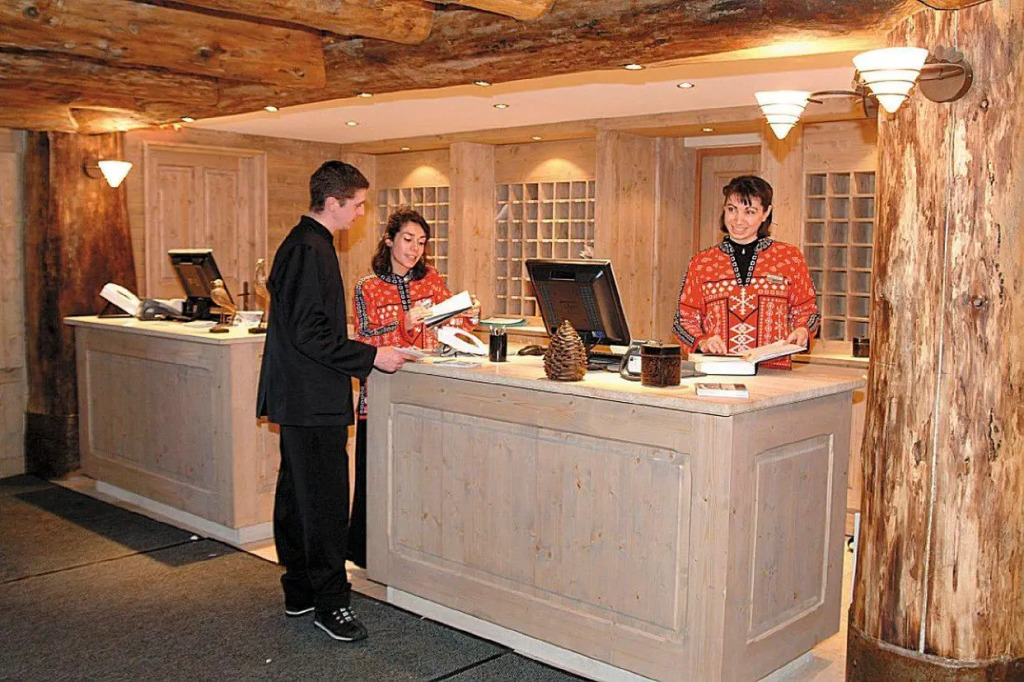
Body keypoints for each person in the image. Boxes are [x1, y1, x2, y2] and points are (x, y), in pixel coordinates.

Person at [256, 161, 409, 643]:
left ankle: (301, 589)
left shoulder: (304, 243)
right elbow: (310, 333)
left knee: (297, 497)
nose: (361, 214)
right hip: (311, 398)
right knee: (323, 504)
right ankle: (331, 603)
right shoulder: (311, 249)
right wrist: (371, 356)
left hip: (300, 396)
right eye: (357, 204)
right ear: (332, 203)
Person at [349, 207, 480, 567]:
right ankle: (369, 554)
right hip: (381, 394)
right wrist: (403, 325)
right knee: (379, 478)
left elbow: (451, 325)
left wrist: (469, 314)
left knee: (422, 478)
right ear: (389, 240)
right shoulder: (367, 287)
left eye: (421, 242)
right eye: (407, 240)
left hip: (427, 391)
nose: (414, 249)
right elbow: (363, 339)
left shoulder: (432, 280)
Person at [674, 175, 819, 369]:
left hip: (776, 374)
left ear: (766, 213)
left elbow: (808, 311)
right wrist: (702, 342)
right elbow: (683, 320)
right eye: (732, 209)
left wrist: (802, 330)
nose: (738, 220)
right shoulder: (701, 263)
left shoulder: (790, 258)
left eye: (749, 212)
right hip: (719, 372)